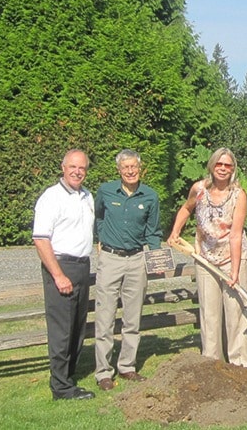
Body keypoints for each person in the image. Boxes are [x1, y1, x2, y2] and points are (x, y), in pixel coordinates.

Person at [167, 148, 247, 367]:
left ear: (233, 169)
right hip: (205, 257)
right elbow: (186, 209)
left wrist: (234, 271)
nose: (223, 169)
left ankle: (240, 362)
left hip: (232, 257)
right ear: (212, 166)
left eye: (228, 165)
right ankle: (211, 363)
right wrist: (175, 231)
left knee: (236, 311)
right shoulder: (199, 189)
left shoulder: (238, 195)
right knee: (209, 312)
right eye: (219, 164)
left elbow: (235, 234)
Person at [94, 149, 162, 391]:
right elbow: (99, 217)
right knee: (105, 317)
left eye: (134, 167)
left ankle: (127, 367)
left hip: (137, 260)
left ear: (140, 168)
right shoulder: (105, 191)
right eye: (126, 167)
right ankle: (103, 372)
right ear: (119, 170)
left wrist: (156, 259)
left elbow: (153, 232)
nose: (131, 171)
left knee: (132, 317)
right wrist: (102, 238)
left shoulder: (150, 196)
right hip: (111, 258)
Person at [33, 149, 96, 400]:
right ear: (63, 167)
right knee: (62, 329)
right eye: (73, 167)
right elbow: (40, 239)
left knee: (77, 327)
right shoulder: (51, 197)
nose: (77, 172)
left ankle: (68, 376)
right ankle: (61, 387)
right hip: (61, 266)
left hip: (82, 266)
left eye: (82, 168)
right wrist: (58, 275)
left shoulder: (87, 196)